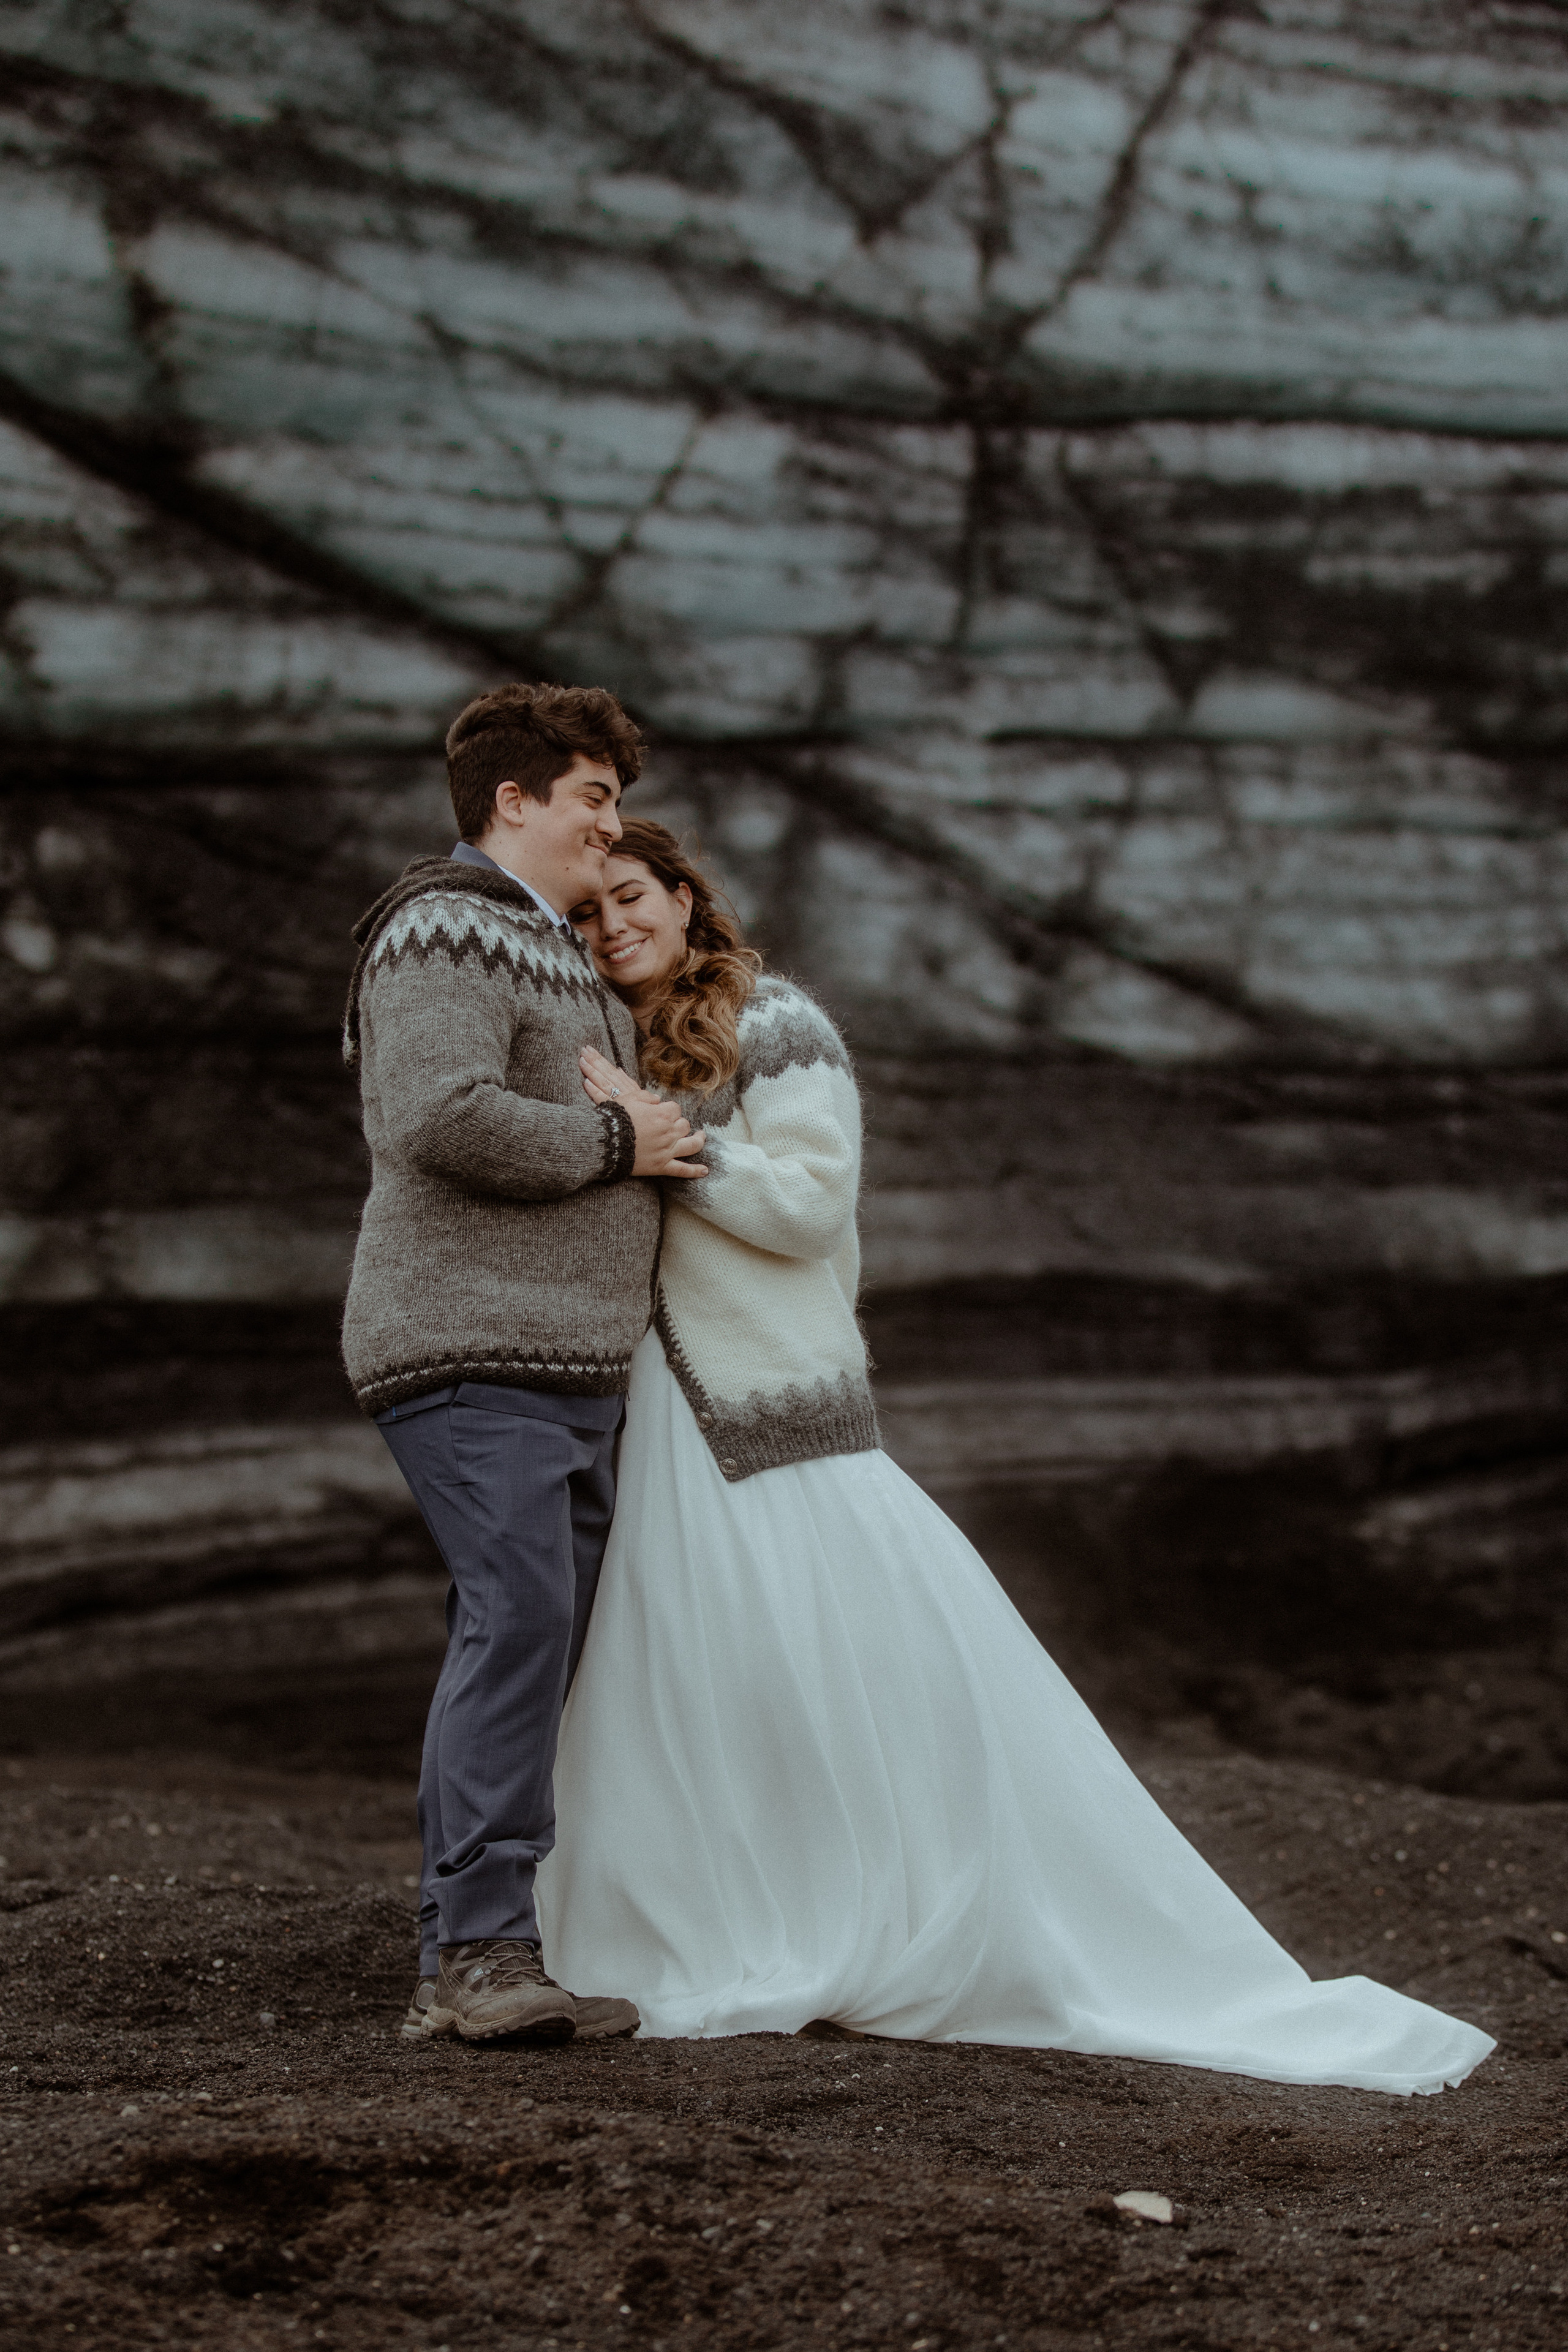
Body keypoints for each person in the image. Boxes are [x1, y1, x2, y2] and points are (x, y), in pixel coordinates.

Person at [534, 819, 1494, 2095]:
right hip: (659, 1406)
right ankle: (719, 1918)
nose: (612, 929)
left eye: (631, 898)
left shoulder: (775, 1024)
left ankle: (877, 1917)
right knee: (689, 1678)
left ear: (682, 896)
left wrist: (667, 1139)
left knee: (849, 1669)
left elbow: (811, 1203)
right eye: (587, 916)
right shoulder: (608, 1038)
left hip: (780, 1406)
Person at [341, 685, 709, 2047]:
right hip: (466, 1345)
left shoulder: (551, 948)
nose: (611, 823)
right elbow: (433, 1117)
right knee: (519, 1625)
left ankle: (468, 1948)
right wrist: (623, 1149)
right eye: (593, 795)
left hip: (567, 1365)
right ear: (516, 802)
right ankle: (483, 1954)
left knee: (524, 1637)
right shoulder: (445, 922)